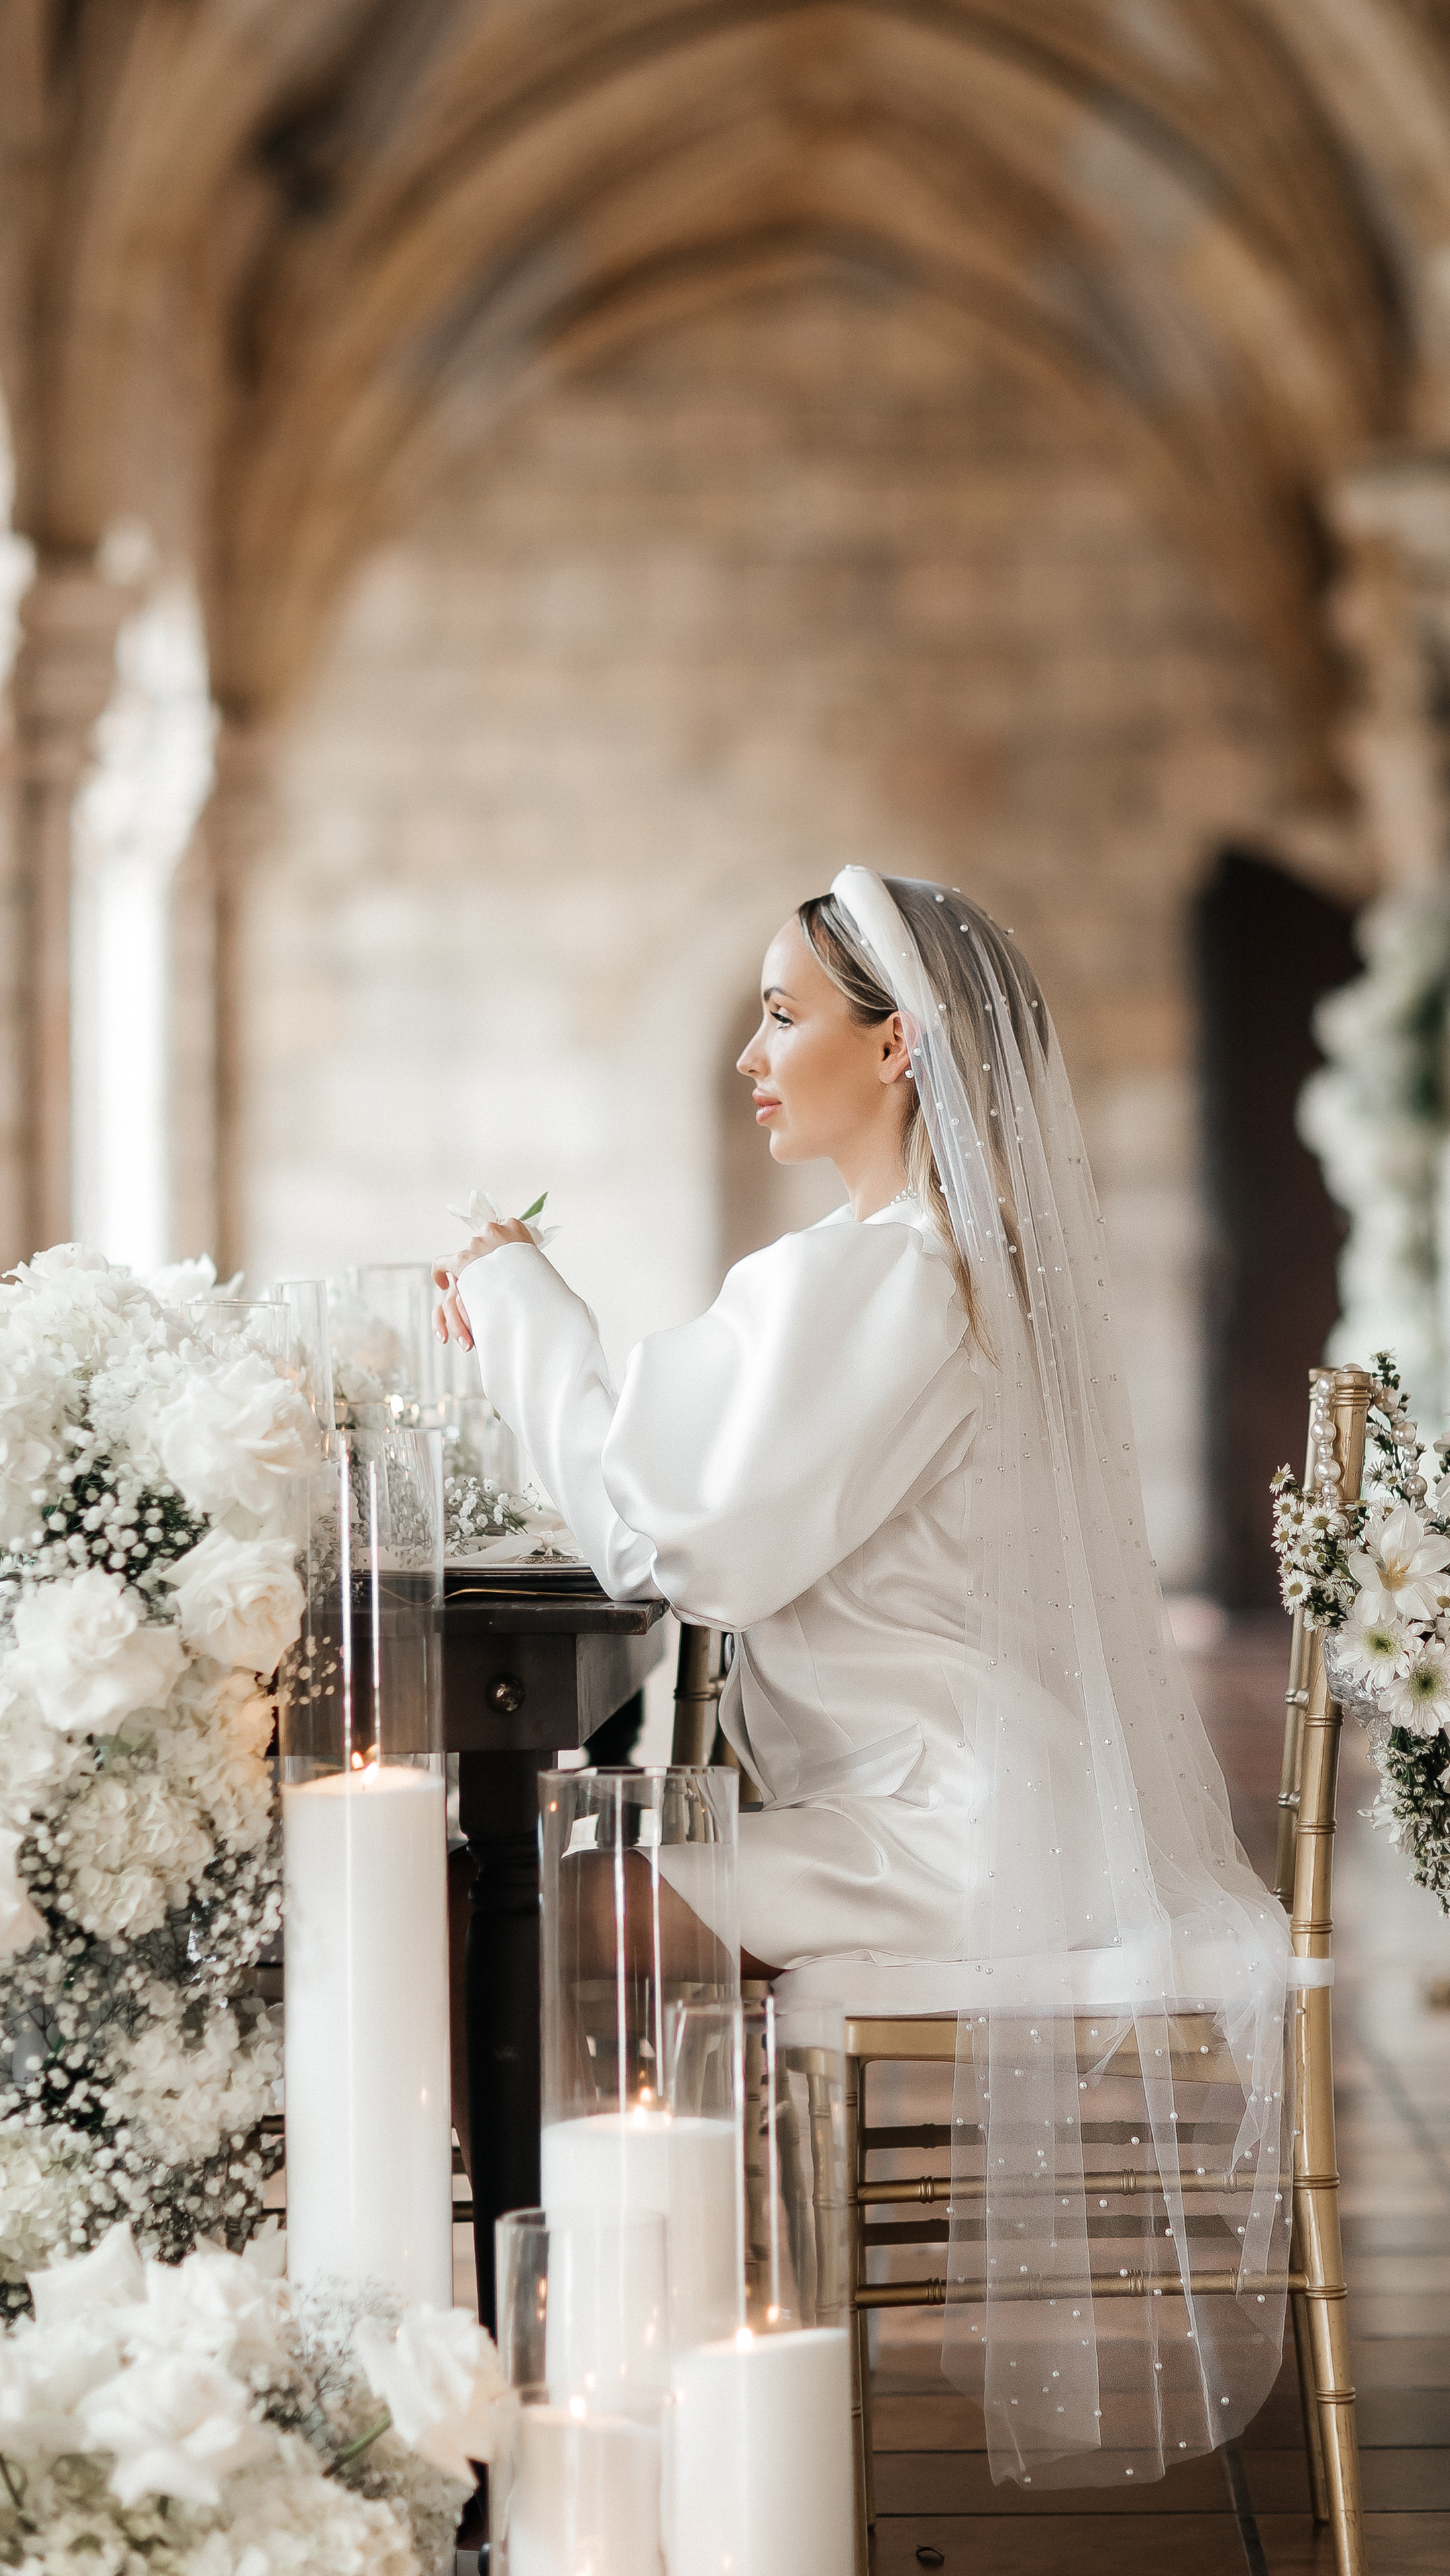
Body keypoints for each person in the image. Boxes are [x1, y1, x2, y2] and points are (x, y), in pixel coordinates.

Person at [434, 869, 1292, 2487]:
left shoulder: (894, 1274)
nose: (752, 1054)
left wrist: (515, 1299)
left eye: (785, 1015)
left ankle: (583, 2364)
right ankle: (635, 2348)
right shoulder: (900, 1264)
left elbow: (683, 1539)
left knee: (570, 1901)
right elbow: (695, 1500)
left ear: (896, 1048)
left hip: (956, 1822)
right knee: (583, 1889)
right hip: (954, 1793)